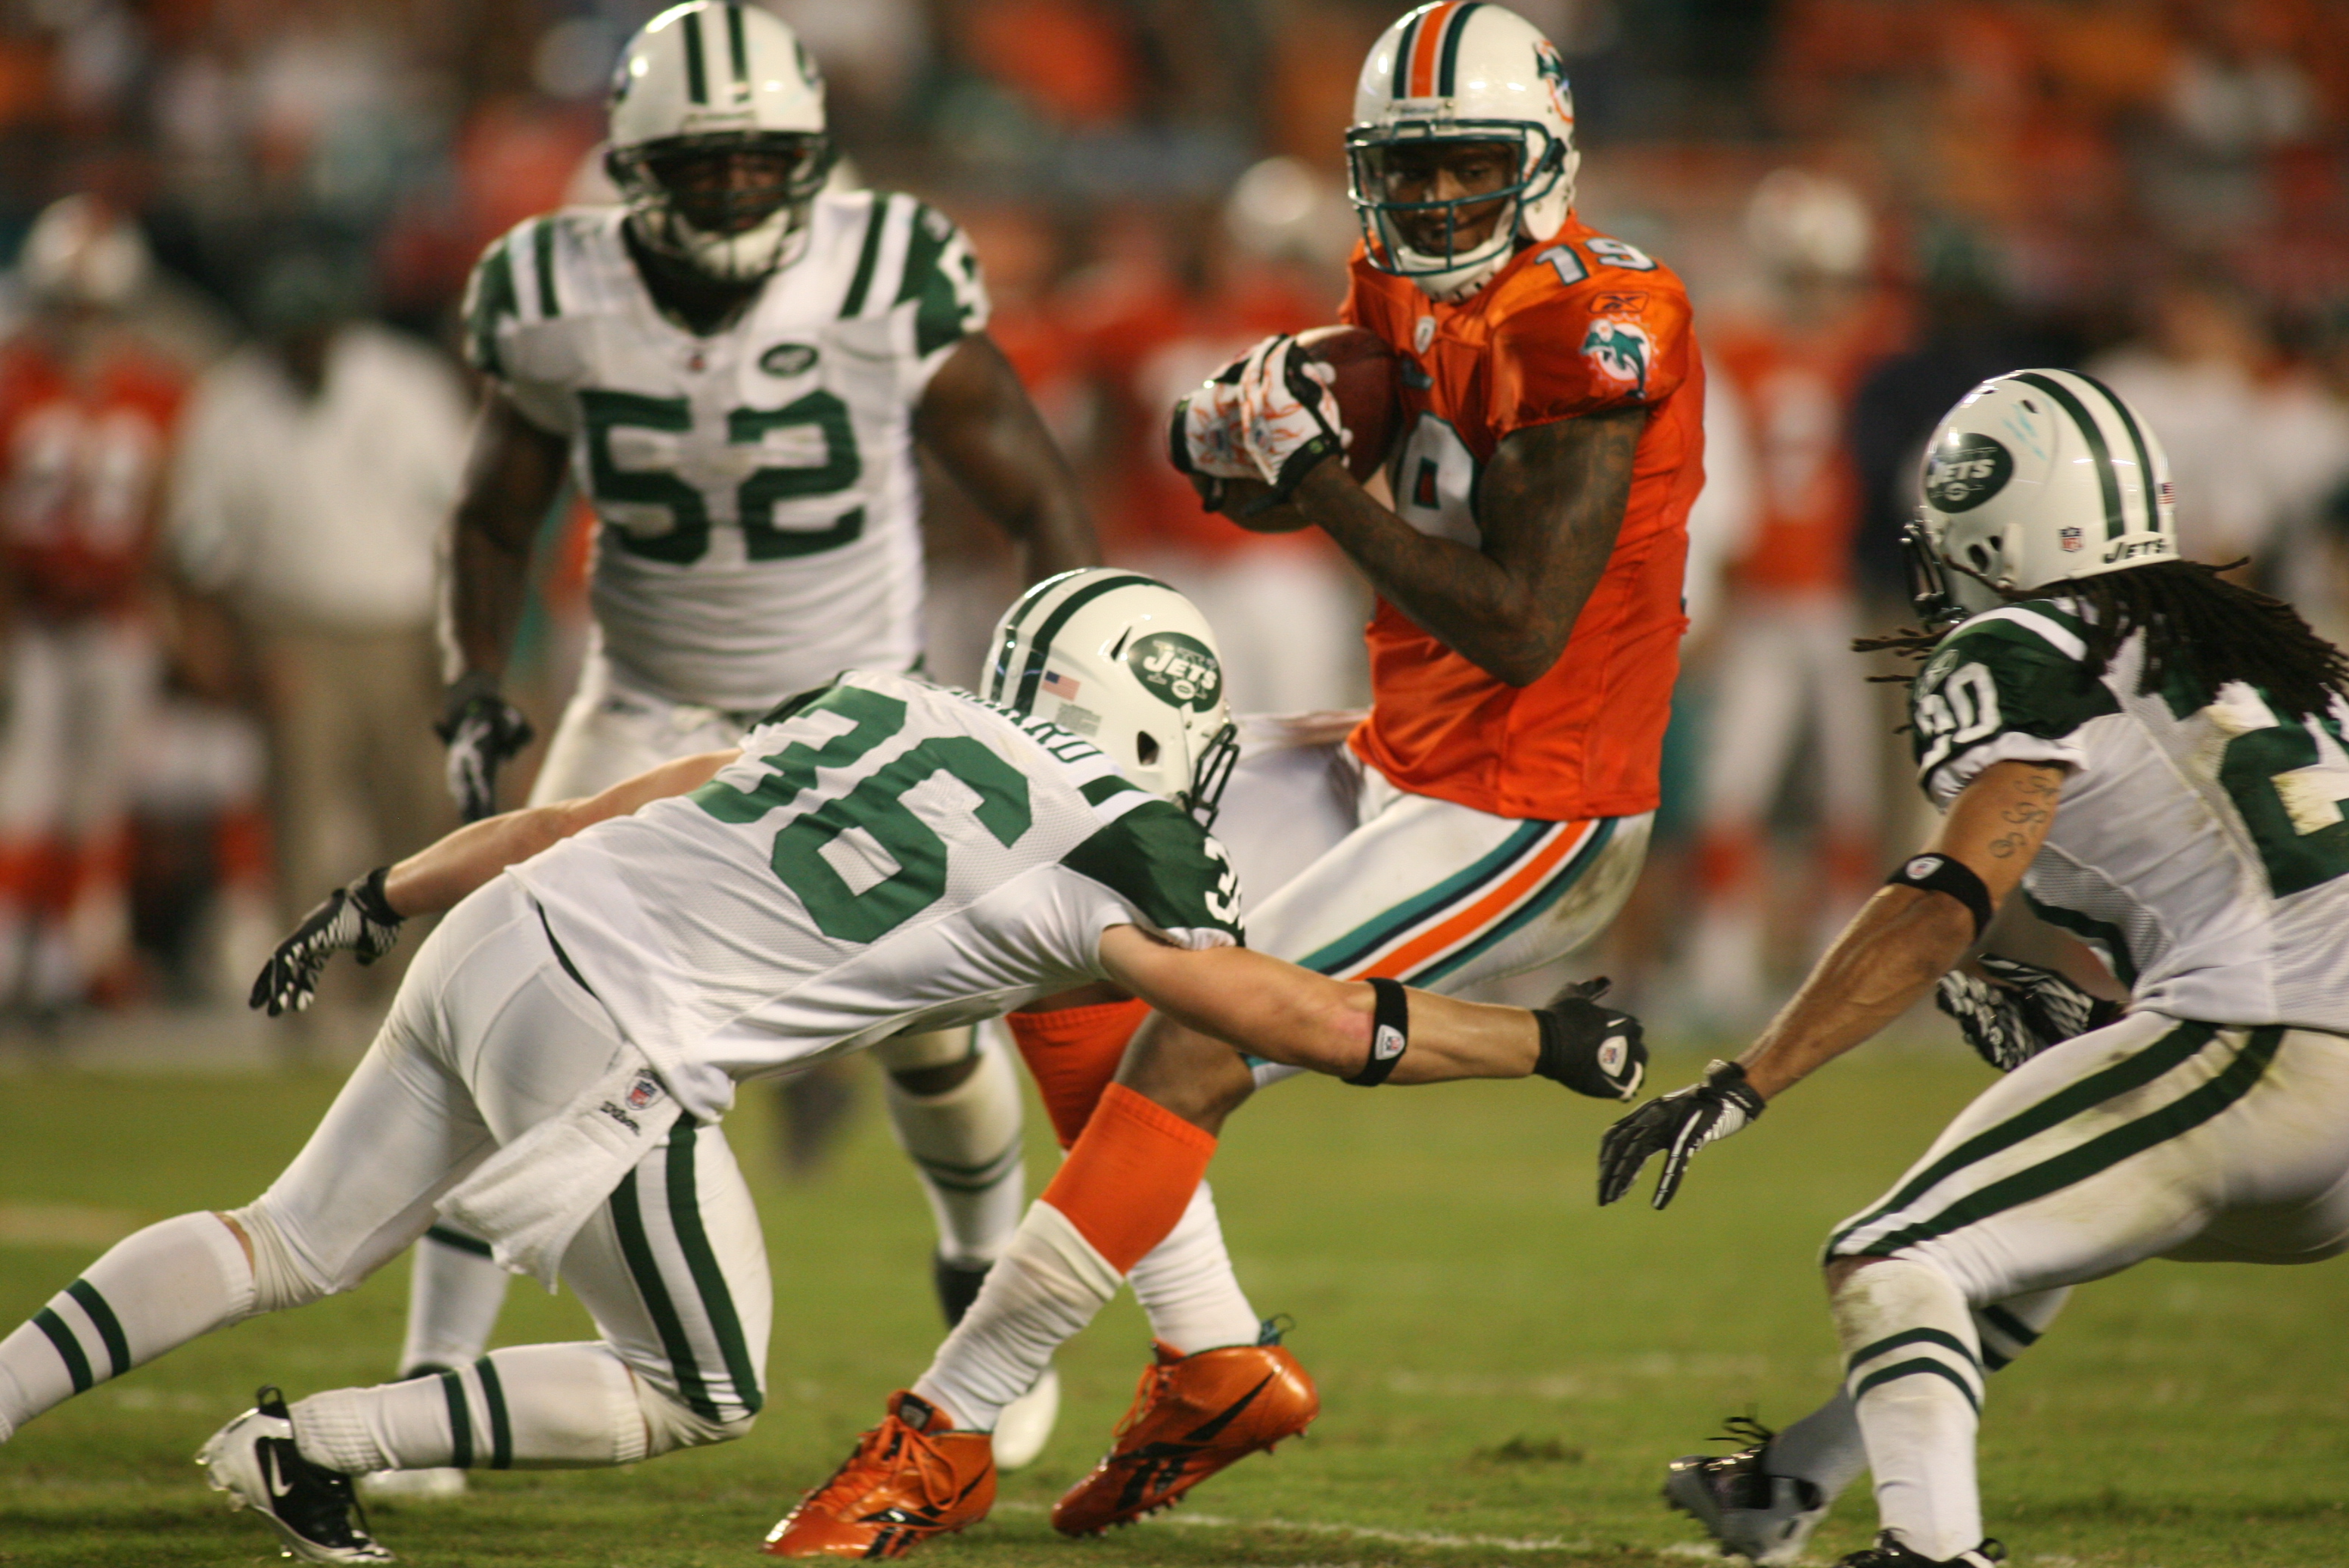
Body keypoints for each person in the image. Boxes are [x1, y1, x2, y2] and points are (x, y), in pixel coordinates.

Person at [0, 571, 1641, 1566]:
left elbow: (586, 815)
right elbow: (1281, 1017)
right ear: (1160, 721)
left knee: (283, 1237)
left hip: (499, 931)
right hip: (615, 1028)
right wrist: (1537, 1043)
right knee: (700, 1386)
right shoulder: (1115, 831)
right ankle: (315, 1446)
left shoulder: (879, 703)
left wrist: (378, 896)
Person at [776, 2, 1701, 1554]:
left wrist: (1309, 474)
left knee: (1191, 1044)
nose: (1432, 200)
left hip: (1530, 800)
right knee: (1064, 915)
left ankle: (939, 1435)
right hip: (1398, 750)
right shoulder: (1400, 294)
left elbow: (1522, 624)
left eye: (1468, 165)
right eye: (1405, 169)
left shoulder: (1599, 319)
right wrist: (1242, 447)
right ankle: (1211, 1358)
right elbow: (1342, 502)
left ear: (1544, 158)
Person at [409, 1, 1100, 1482]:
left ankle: (976, 1273)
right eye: (701, 161)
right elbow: (490, 513)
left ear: (814, 156)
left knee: (933, 1024)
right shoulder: (552, 287)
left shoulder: (883, 267)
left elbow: (1038, 492)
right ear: (632, 162)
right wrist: (473, 678)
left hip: (855, 704)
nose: (733, 187)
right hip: (644, 698)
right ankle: (432, 1373)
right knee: (506, 993)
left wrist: (1059, 697)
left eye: (762, 159)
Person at [1600, 370, 2349, 1568]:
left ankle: (1934, 1551)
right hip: (2301, 1070)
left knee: (1897, 1254)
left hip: (2267, 1042)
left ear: (1988, 527)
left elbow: (1948, 900)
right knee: (2021, 1240)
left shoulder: (2027, 641)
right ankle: (1782, 1486)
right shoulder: (2255, 649)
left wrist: (1749, 1077)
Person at [0, 195, 190, 1013]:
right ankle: (18, 951)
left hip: (115, 620)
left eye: (95, 307)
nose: (79, 323)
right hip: (32, 620)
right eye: (67, 305)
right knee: (26, 790)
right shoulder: (16, 383)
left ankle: (84, 956)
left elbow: (172, 518)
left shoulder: (161, 393)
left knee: (98, 798)